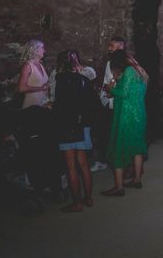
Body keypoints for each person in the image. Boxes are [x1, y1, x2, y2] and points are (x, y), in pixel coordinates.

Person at [101, 50, 148, 196]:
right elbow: (139, 91)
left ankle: (119, 187)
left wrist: (110, 89)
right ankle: (137, 179)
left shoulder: (128, 71)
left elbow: (124, 93)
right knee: (136, 146)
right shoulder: (139, 71)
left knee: (118, 147)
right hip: (139, 112)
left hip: (126, 115)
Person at [53, 50, 95, 212]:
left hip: (67, 125)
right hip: (82, 123)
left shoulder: (61, 80)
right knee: (84, 164)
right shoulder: (84, 80)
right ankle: (89, 199)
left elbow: (60, 106)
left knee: (71, 167)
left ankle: (77, 203)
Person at [92, 36, 126, 173]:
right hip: (107, 101)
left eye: (112, 45)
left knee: (113, 133)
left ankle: (114, 162)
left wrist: (110, 89)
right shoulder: (109, 62)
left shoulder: (125, 64)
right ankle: (103, 160)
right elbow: (108, 81)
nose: (108, 48)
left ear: (120, 47)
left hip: (117, 102)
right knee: (103, 132)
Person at [18, 39, 50, 109]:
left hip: (42, 105)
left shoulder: (41, 65)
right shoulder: (28, 66)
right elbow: (21, 88)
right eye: (42, 48)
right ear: (35, 50)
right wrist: (41, 88)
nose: (44, 51)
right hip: (31, 106)